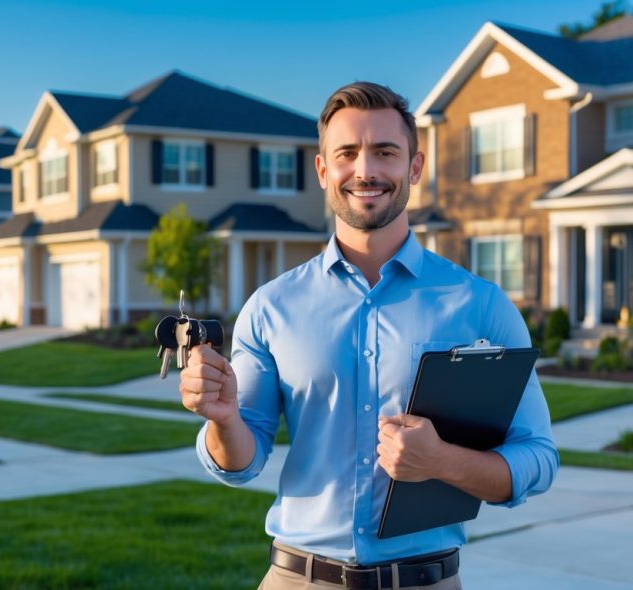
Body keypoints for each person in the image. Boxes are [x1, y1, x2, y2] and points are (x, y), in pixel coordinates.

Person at [178, 82, 558, 590]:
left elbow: (537, 456)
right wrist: (224, 419)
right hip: (298, 578)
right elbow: (240, 464)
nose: (366, 171)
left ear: (415, 167)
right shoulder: (271, 307)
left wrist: (442, 461)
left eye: (385, 152)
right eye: (347, 154)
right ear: (322, 170)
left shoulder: (480, 305)